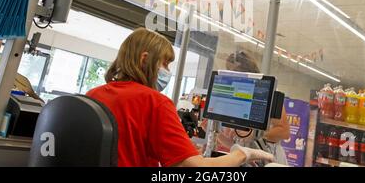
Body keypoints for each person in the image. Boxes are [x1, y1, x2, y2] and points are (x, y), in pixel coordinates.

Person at [86, 28, 273, 167]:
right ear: (145, 59)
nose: (167, 71)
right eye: (165, 64)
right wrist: (242, 154)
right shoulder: (155, 102)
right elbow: (195, 169)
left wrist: (184, 154)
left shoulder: (93, 95)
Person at [221, 51, 291, 164]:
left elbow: (284, 131)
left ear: (247, 71)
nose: (232, 75)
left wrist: (256, 135)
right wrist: (216, 134)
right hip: (245, 158)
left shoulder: (267, 93)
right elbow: (235, 143)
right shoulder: (235, 98)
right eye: (229, 70)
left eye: (235, 71)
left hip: (269, 158)